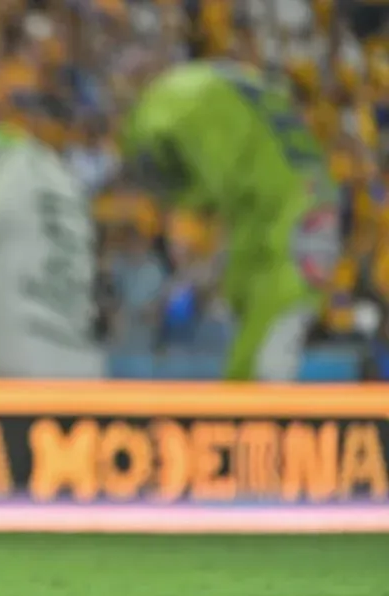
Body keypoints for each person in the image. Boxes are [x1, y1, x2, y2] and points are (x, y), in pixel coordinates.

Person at [122, 60, 341, 381]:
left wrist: (187, 277)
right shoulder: (220, 98)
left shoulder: (175, 110)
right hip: (303, 213)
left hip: (288, 230)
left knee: (260, 376)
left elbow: (205, 196)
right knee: (256, 364)